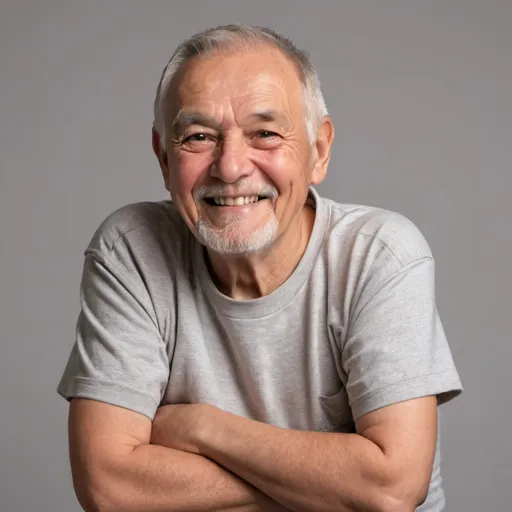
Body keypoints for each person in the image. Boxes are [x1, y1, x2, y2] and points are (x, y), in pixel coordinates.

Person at [57, 24, 462, 512]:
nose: (230, 167)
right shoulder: (132, 250)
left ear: (319, 150)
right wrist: (326, 484)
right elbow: (109, 489)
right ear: (163, 158)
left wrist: (201, 427)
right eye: (199, 136)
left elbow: (390, 487)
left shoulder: (380, 255)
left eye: (265, 133)